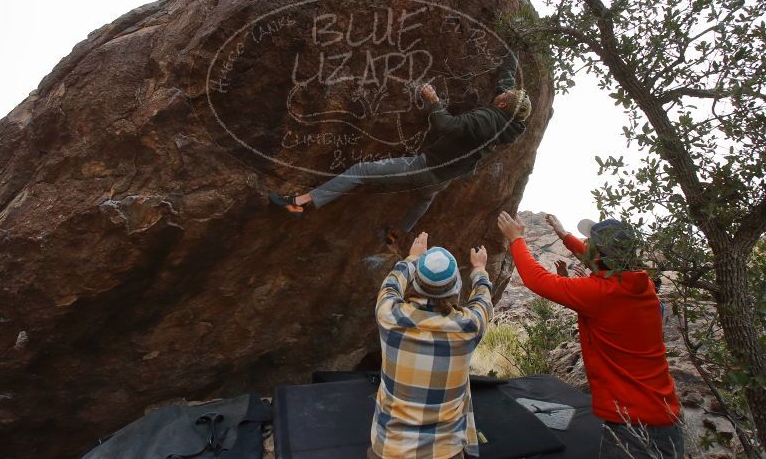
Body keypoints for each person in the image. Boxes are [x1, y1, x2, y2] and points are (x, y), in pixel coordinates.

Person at [269, 52, 531, 245]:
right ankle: (395, 233)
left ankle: (300, 203)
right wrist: (512, 56)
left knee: (360, 171)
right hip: (444, 178)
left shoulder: (485, 120)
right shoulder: (510, 126)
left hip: (424, 167)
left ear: (503, 106)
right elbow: (506, 85)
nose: (500, 94)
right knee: (423, 199)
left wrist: (434, 101)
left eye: (503, 97)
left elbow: (447, 126)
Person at [496, 212, 683, 459]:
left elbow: (537, 280)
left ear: (597, 254)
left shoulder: (600, 293)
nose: (584, 247)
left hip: (632, 425)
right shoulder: (641, 284)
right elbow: (598, 261)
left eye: (588, 244)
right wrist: (563, 235)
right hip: (665, 415)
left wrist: (516, 239)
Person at [369, 232, 493, 459]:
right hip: (445, 451)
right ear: (455, 286)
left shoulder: (389, 315)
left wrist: (412, 258)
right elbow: (483, 299)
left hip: (390, 447)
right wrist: (479, 269)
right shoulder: (469, 327)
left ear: (416, 282)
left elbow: (391, 283)